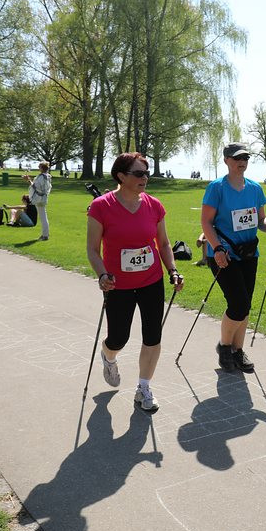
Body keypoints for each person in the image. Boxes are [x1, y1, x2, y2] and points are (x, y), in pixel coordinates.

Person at [87, 152, 184, 413]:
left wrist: (172, 270)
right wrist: (102, 275)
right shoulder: (101, 206)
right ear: (121, 175)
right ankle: (109, 356)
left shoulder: (154, 205)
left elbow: (163, 244)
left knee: (153, 336)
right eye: (139, 173)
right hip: (117, 284)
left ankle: (143, 387)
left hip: (151, 280)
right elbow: (93, 250)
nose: (145, 178)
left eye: (147, 173)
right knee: (119, 337)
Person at [200, 142, 266, 373]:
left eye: (246, 158)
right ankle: (225, 347)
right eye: (237, 157)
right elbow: (206, 222)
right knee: (238, 304)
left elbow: (261, 220)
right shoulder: (217, 188)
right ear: (226, 160)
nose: (242, 162)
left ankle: (238, 351)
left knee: (245, 305)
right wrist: (217, 248)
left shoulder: (254, 189)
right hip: (223, 254)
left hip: (248, 253)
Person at [24, 162, 52, 240]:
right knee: (43, 216)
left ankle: (45, 235)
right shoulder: (48, 176)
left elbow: (36, 187)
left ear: (42, 168)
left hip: (38, 198)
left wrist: (28, 180)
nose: (38, 168)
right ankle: (45, 234)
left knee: (43, 217)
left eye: (39, 167)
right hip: (44, 197)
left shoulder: (41, 177)